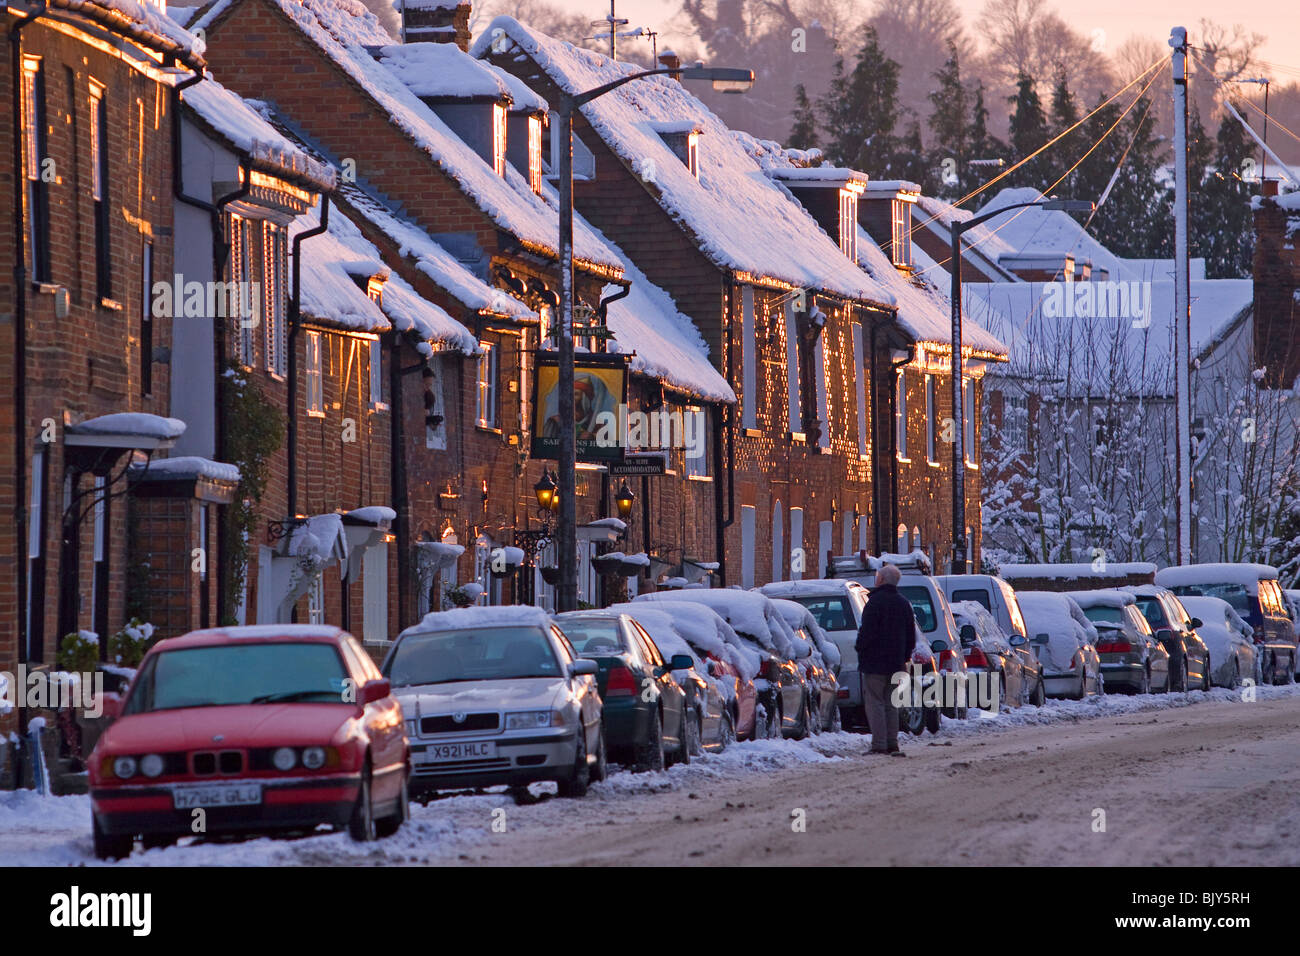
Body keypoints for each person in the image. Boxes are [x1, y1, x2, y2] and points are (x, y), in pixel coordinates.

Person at [855, 562, 915, 756]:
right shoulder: (904, 603)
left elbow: (867, 632)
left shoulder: (874, 603)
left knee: (875, 702)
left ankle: (879, 743)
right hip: (897, 662)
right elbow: (911, 636)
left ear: (880, 579)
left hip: (875, 662)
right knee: (891, 703)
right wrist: (904, 656)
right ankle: (892, 742)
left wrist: (860, 648)